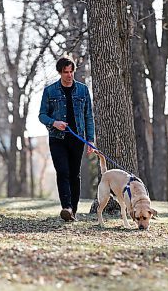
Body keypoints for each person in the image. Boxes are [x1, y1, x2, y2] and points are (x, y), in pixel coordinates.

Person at [38, 54, 95, 221]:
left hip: (77, 138)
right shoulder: (50, 91)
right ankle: (66, 207)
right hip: (57, 138)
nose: (69, 75)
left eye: (71, 72)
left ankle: (73, 211)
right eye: (65, 72)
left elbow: (88, 116)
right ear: (60, 73)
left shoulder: (83, 90)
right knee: (62, 172)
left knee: (74, 174)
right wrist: (54, 122)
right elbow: (42, 115)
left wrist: (90, 140)